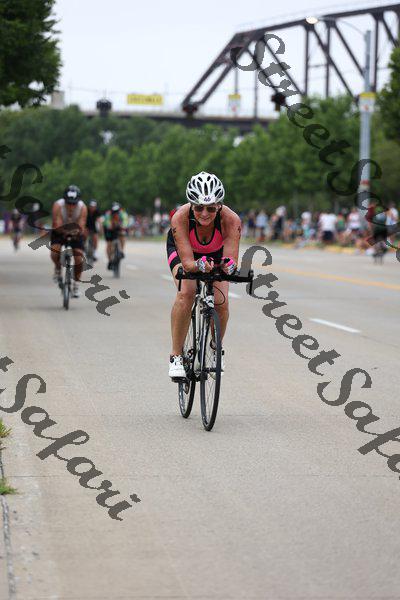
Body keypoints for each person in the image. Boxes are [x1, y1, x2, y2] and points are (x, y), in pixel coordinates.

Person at [166, 171, 241, 379]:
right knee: (186, 293)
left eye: (211, 208)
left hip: (215, 254)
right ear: (191, 205)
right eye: (199, 207)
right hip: (186, 252)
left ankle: (216, 347)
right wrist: (198, 265)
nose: (205, 213)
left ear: (219, 206)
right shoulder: (180, 217)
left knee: (221, 302)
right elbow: (188, 264)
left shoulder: (231, 220)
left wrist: (227, 267)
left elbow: (231, 260)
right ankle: (176, 356)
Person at [51, 185, 87, 298]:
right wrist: (64, 230)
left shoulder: (82, 207)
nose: (71, 206)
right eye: (69, 203)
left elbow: (81, 225)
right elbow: (56, 224)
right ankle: (58, 267)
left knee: (79, 257)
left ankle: (76, 284)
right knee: (54, 252)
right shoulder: (58, 205)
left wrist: (75, 231)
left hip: (76, 232)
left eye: (74, 203)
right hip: (59, 231)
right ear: (64, 200)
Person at [103, 202, 129, 269]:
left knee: (123, 235)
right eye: (114, 211)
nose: (115, 213)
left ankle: (121, 251)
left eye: (117, 211)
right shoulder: (108, 214)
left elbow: (125, 221)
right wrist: (109, 226)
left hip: (119, 228)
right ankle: (110, 260)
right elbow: (107, 222)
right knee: (109, 244)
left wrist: (124, 226)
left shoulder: (123, 214)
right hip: (110, 229)